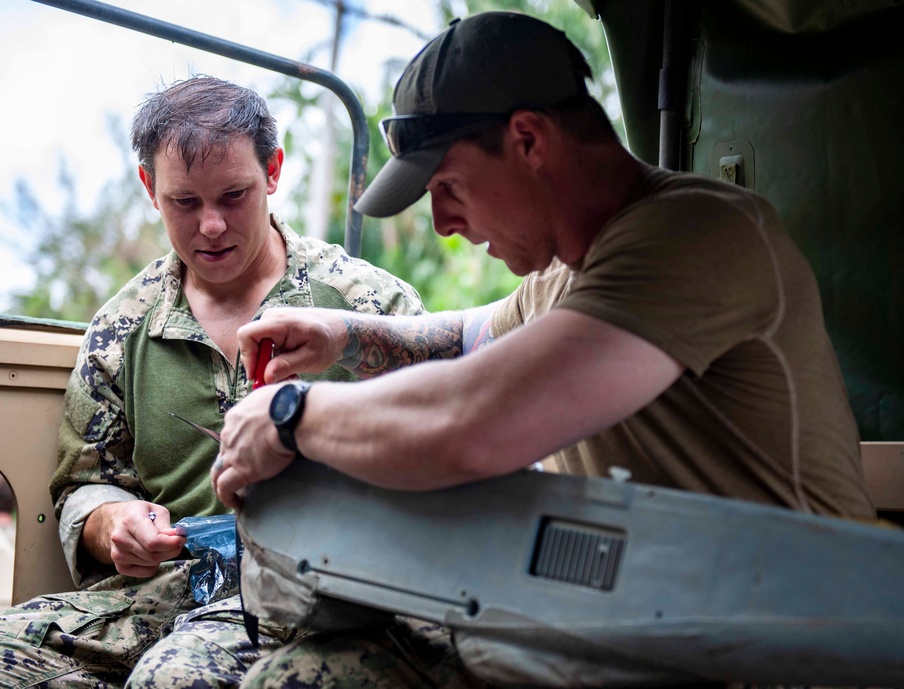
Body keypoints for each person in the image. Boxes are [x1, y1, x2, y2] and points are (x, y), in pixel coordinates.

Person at [210, 11, 876, 688]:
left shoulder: (697, 236)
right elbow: (465, 341)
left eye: (448, 187)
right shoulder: (568, 271)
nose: (443, 225)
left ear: (528, 139)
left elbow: (475, 422)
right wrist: (344, 335)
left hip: (782, 647)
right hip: (627, 630)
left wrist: (289, 416)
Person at [0, 75, 423, 688]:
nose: (210, 226)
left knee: (174, 680)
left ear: (274, 171)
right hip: (162, 594)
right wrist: (114, 527)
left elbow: (441, 451)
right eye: (185, 202)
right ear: (150, 187)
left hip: (322, 595)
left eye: (233, 196)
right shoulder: (123, 327)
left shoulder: (369, 307)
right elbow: (86, 484)